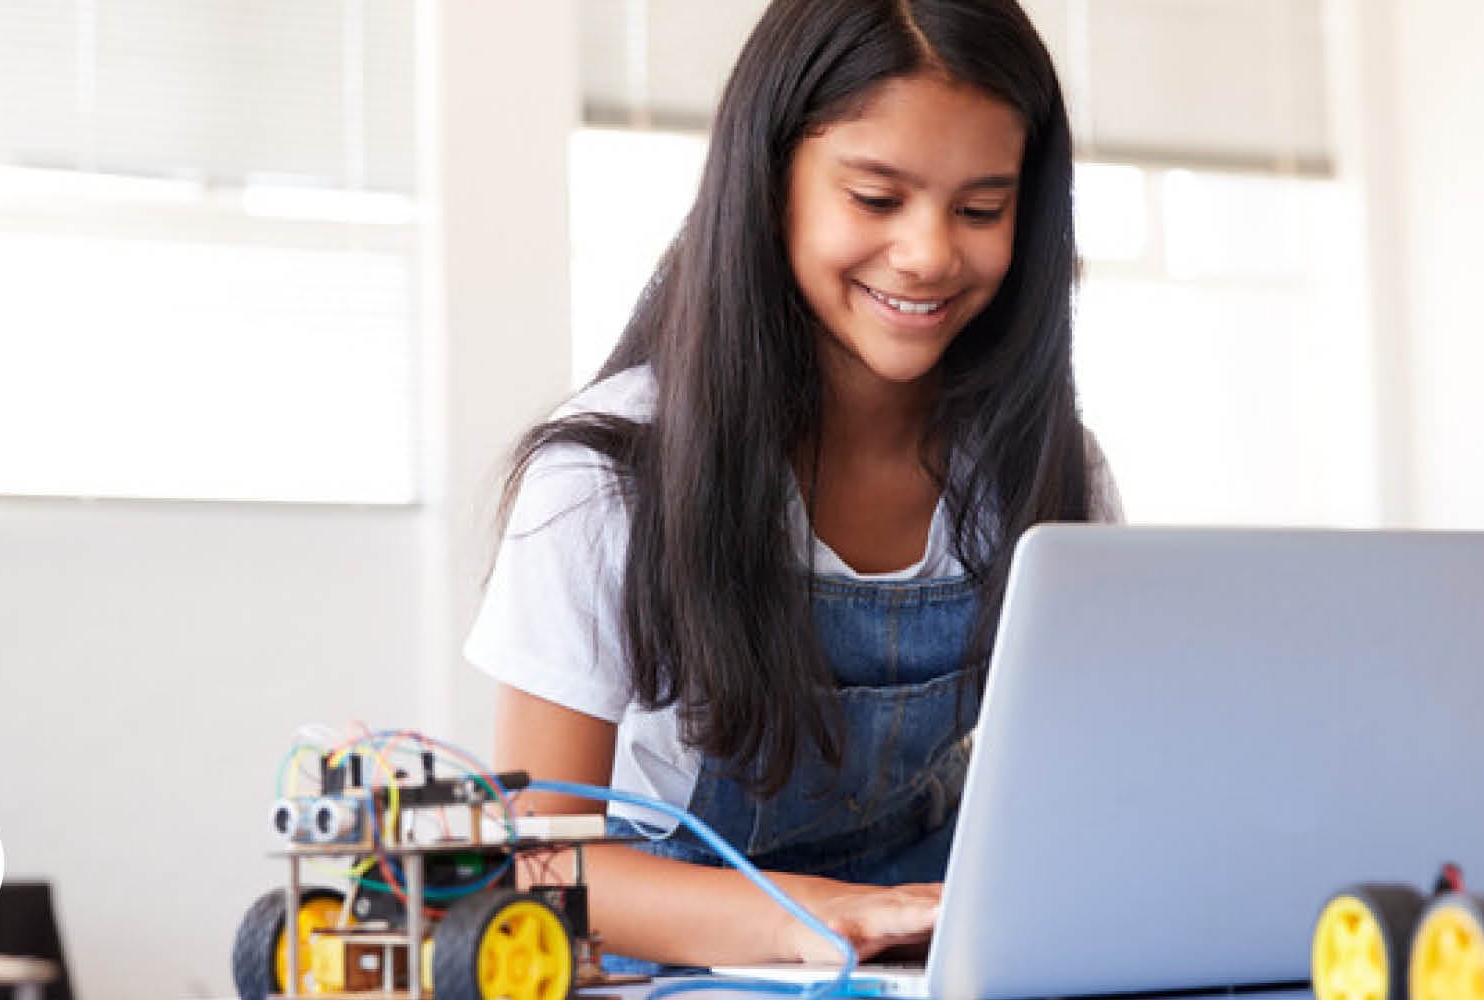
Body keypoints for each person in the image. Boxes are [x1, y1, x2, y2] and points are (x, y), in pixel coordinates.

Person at [464, 0, 1122, 973]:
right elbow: (529, 862)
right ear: (767, 181)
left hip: (938, 967)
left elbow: (1087, 799)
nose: (930, 251)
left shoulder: (1047, 471)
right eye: (874, 197)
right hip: (697, 974)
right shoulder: (605, 480)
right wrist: (802, 917)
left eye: (980, 208)